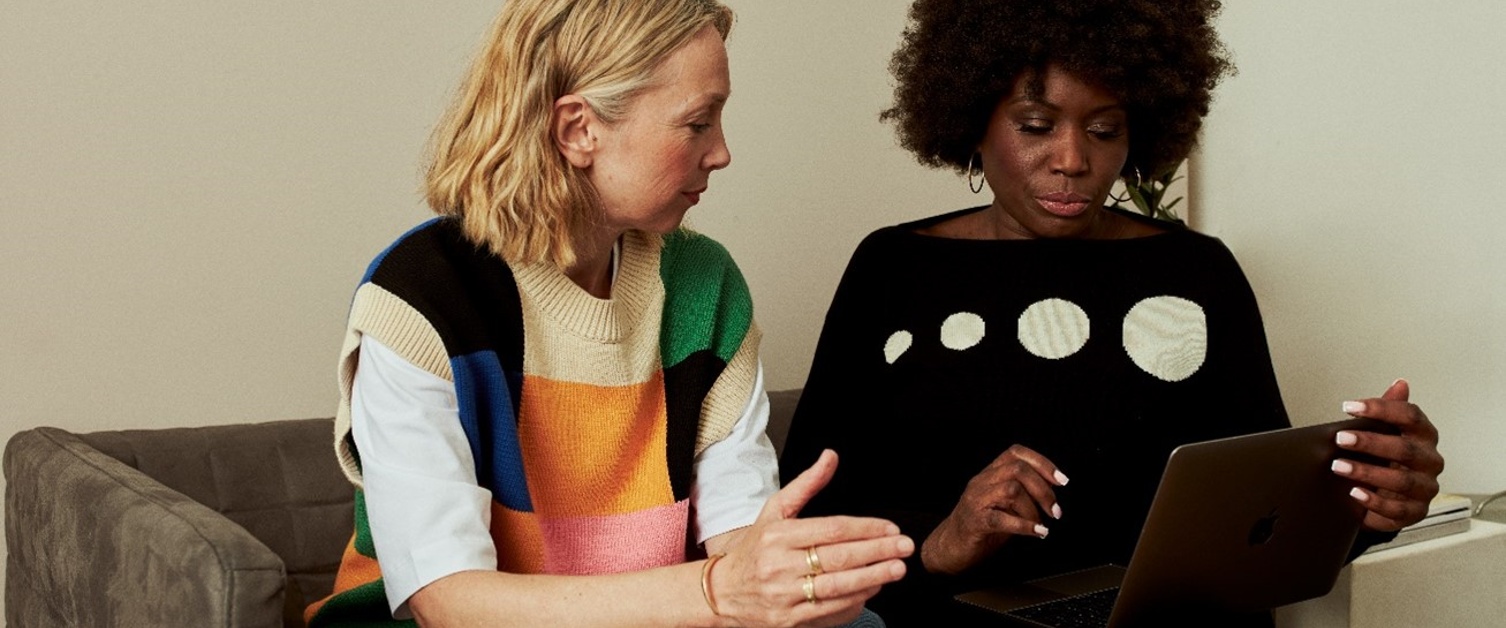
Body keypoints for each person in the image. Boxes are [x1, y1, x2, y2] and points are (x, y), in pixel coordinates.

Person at [777, 0, 1444, 625]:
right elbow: (804, 515)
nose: (1073, 160)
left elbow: (1261, 522)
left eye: (1104, 130)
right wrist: (941, 543)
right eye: (1036, 126)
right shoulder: (894, 270)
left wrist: (1371, 507)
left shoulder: (1197, 271)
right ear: (972, 117)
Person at [303, 1, 912, 626]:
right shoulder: (422, 294)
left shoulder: (707, 284)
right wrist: (719, 592)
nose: (722, 152)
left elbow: (737, 552)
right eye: (698, 122)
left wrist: (788, 581)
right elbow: (448, 603)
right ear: (578, 130)